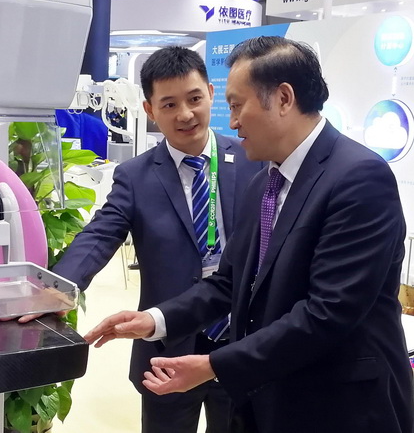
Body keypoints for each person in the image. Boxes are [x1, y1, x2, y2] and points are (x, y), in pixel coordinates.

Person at [83, 36, 414, 433]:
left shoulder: (358, 178)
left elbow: (328, 313)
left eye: (238, 105)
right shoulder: (266, 182)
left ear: (283, 98)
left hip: (338, 404)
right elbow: (230, 281)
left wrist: (213, 365)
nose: (234, 121)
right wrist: (154, 320)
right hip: (270, 393)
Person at [50, 46, 263, 433]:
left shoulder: (254, 158)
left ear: (211, 94)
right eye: (169, 104)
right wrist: (58, 288)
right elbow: (100, 234)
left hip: (242, 338)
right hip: (168, 343)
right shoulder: (136, 176)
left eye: (194, 99)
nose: (185, 114)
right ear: (150, 110)